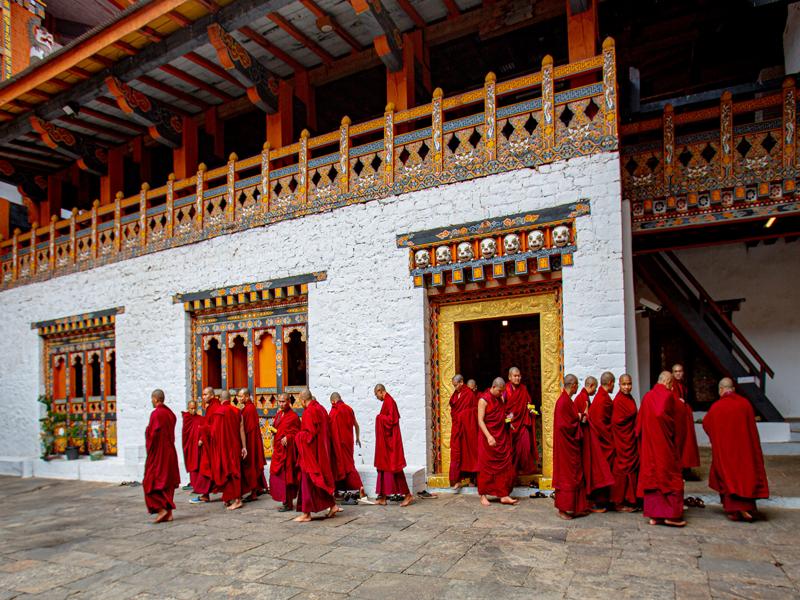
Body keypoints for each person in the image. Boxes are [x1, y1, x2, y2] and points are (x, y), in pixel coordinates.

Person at [703, 378, 769, 522]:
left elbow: (707, 424)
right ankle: (746, 507)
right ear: (733, 389)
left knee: (728, 476)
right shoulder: (745, 404)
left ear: (721, 390)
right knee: (745, 476)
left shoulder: (717, 407)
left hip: (727, 451)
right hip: (745, 451)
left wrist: (716, 439)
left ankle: (736, 509)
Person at [637, 371, 686, 527]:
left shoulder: (646, 398)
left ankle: (654, 516)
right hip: (665, 448)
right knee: (669, 477)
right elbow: (679, 422)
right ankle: (670, 515)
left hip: (649, 448)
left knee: (653, 478)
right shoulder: (670, 397)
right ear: (669, 382)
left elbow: (638, 426)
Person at [294, 390, 340, 522]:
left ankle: (306, 514)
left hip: (311, 455)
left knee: (308, 482)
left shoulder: (309, 412)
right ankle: (333, 505)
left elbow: (308, 436)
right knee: (319, 482)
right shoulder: (321, 409)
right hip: (322, 452)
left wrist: (298, 436)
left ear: (303, 400)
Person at [477, 377, 518, 506]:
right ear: (493, 387)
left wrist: (508, 423)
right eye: (500, 391)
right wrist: (489, 436)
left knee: (504, 467)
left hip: (501, 437)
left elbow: (503, 414)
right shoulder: (483, 400)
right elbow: (480, 420)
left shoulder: (500, 398)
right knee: (486, 467)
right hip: (487, 438)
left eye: (502, 392)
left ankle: (503, 495)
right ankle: (483, 495)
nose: (501, 394)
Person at [552, 374, 588, 519]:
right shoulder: (562, 402)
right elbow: (564, 425)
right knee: (567, 476)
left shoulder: (567, 401)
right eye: (577, 385)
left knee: (575, 475)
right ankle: (563, 509)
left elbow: (570, 418)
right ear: (573, 385)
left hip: (570, 446)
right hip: (565, 447)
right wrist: (580, 417)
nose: (577, 388)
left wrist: (578, 416)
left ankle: (576, 507)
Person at [576, 376, 614, 512]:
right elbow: (593, 422)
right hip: (591, 440)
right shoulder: (584, 399)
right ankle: (595, 501)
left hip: (592, 439)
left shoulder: (589, 398)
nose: (596, 391)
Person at [143, 389, 180, 524]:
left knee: (151, 481)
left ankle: (161, 509)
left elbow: (152, 436)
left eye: (152, 399)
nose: (151, 402)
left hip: (159, 453)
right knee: (167, 482)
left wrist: (147, 431)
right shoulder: (170, 414)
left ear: (155, 399)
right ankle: (168, 513)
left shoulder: (156, 414)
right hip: (170, 451)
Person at [374, 384, 413, 507]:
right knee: (383, 468)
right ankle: (383, 497)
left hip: (391, 442)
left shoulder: (390, 402)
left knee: (395, 468)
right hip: (387, 442)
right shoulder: (387, 402)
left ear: (380, 391)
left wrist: (379, 418)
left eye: (376, 395)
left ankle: (407, 495)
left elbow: (391, 421)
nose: (377, 398)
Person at [209, 390, 247, 511]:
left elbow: (213, 433)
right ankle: (230, 498)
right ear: (230, 399)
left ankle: (237, 500)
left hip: (223, 447)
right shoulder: (237, 411)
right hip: (235, 446)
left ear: (220, 399)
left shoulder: (217, 412)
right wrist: (244, 447)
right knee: (235, 471)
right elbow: (242, 429)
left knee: (225, 471)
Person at [587, 372, 616, 510]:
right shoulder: (602, 399)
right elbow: (599, 423)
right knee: (602, 471)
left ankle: (604, 500)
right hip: (602, 442)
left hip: (602, 440)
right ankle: (600, 502)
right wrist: (611, 440)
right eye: (614, 384)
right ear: (610, 383)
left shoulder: (602, 397)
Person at [503, 367, 539, 479]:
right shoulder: (505, 390)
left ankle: (524, 469)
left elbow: (528, 403)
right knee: (511, 450)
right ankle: (513, 470)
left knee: (525, 445)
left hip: (522, 423)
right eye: (515, 376)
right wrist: (508, 423)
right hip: (511, 424)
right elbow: (503, 409)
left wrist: (532, 410)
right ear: (509, 377)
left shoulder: (523, 389)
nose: (517, 378)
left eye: (519, 376)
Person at [610, 374, 639, 512]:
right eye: (624, 384)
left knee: (631, 470)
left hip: (630, 439)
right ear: (619, 385)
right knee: (622, 469)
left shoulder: (629, 398)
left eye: (629, 384)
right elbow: (617, 422)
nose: (627, 387)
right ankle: (618, 501)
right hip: (623, 441)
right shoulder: (619, 401)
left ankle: (630, 499)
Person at [329, 392, 365, 497]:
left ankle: (357, 487)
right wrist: (357, 438)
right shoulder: (349, 409)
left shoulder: (334, 411)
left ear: (333, 401)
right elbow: (356, 425)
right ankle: (348, 489)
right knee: (349, 464)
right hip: (348, 443)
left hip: (337, 444)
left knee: (341, 466)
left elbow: (329, 428)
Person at [269, 393, 301, 512]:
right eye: (280, 401)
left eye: (284, 402)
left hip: (287, 452)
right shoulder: (278, 414)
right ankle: (283, 500)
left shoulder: (293, 417)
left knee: (287, 477)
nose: (281, 404)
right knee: (278, 477)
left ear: (289, 402)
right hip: (278, 450)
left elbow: (298, 433)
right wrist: (273, 431)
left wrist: (288, 437)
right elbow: (276, 428)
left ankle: (288, 503)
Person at [448, 374, 480, 488]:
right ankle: (456, 480)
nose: (455, 387)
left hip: (468, 429)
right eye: (453, 386)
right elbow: (453, 409)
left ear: (461, 382)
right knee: (456, 453)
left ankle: (472, 478)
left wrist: (463, 416)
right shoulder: (456, 395)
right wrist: (458, 417)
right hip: (457, 428)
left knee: (469, 454)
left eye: (456, 385)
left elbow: (474, 412)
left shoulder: (469, 394)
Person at [238, 388, 267, 502]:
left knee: (251, 465)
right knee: (254, 465)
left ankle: (254, 492)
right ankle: (259, 488)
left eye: (241, 396)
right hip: (253, 440)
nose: (239, 399)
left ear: (247, 396)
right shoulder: (248, 408)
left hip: (251, 442)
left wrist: (245, 445)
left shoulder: (249, 409)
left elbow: (248, 430)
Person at [671, 363, 700, 471]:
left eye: (680, 371)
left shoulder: (683, 385)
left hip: (684, 418)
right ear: (672, 373)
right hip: (678, 420)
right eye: (676, 371)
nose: (678, 374)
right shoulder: (672, 385)